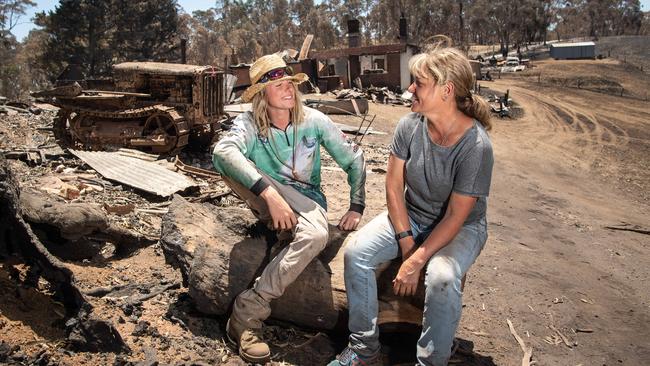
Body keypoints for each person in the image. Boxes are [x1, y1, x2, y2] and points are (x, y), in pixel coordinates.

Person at [330, 42, 494, 366]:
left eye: (418, 83)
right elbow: (393, 186)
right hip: (412, 216)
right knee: (356, 252)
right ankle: (364, 350)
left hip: (461, 228)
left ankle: (430, 362)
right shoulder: (409, 125)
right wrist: (408, 246)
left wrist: (418, 261)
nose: (410, 89)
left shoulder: (476, 146)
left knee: (443, 276)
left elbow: (455, 216)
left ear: (446, 91)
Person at [212, 53, 366, 364]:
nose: (288, 90)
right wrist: (270, 194)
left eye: (290, 84)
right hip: (267, 197)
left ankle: (247, 311)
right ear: (261, 95)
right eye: (279, 85)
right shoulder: (249, 124)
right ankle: (276, 223)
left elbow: (355, 159)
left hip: (306, 199)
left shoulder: (314, 121)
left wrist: (357, 205)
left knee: (314, 236)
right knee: (229, 158)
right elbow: (222, 151)